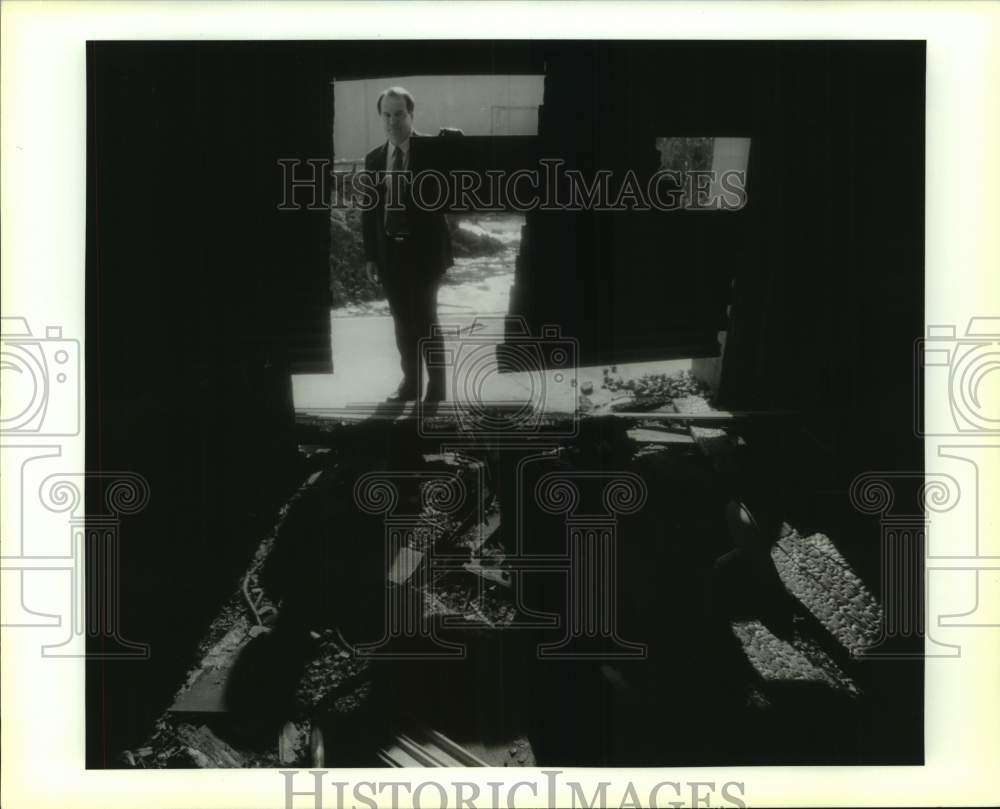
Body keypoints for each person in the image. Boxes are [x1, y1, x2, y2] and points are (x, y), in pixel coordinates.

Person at [361, 86, 454, 403]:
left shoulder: (431, 151)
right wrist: (371, 255)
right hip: (389, 253)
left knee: (426, 318)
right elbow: (369, 211)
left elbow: (462, 164)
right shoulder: (374, 159)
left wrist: (453, 141)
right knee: (401, 321)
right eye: (386, 115)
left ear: (411, 115)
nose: (392, 121)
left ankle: (437, 387)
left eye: (399, 114)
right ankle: (410, 383)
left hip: (424, 251)